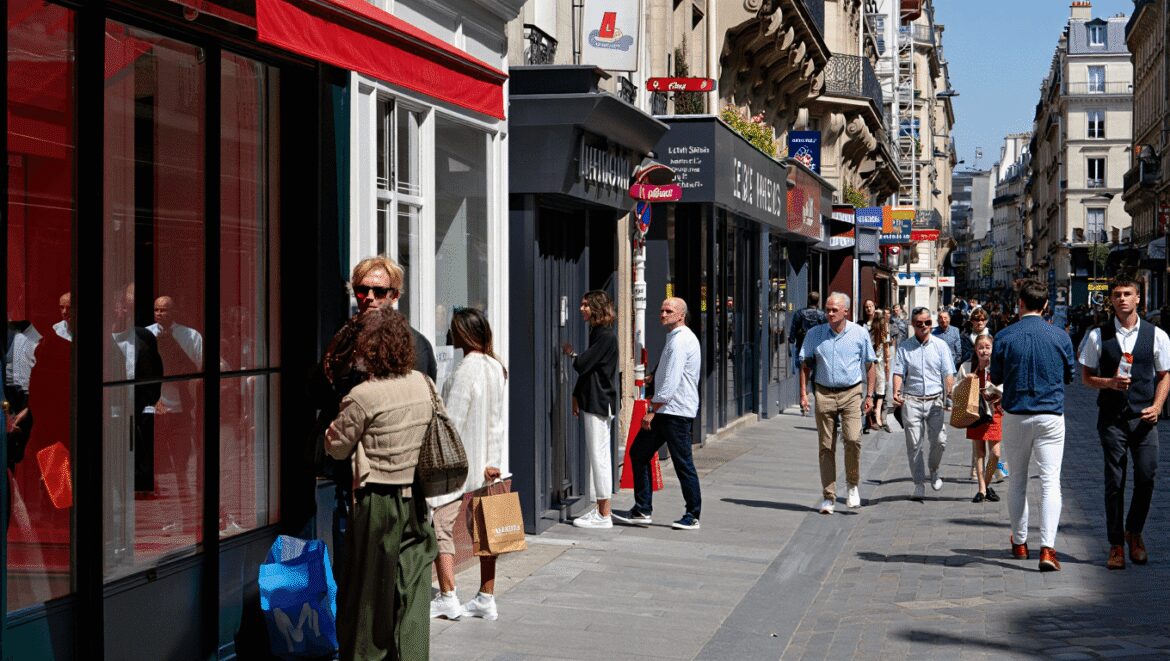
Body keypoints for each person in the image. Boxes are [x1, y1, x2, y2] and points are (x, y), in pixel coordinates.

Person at [326, 307, 438, 660]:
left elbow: (336, 447)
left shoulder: (364, 396)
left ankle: (367, 655)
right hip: (418, 501)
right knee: (414, 589)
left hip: (378, 501)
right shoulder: (424, 384)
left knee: (369, 594)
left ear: (369, 349)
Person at [312, 256, 437, 572]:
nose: (369, 298)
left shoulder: (413, 346)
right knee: (351, 569)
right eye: (362, 290)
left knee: (388, 572)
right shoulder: (344, 341)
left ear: (395, 295)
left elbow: (411, 411)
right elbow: (324, 396)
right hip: (346, 475)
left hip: (392, 479)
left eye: (379, 291)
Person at [1078, 277, 1170, 570]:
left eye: (1127, 294)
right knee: (1115, 482)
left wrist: (1157, 406)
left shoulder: (1157, 336)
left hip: (1144, 418)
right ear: (1111, 300)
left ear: (1138, 299)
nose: (1122, 299)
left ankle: (1135, 532)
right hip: (1112, 419)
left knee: (1146, 477)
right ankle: (1116, 543)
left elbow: (1164, 375)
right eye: (1117, 295)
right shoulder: (1097, 336)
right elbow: (1086, 378)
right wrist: (1110, 382)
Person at [427, 307, 509, 621]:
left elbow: (452, 421)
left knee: (439, 523)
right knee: (487, 529)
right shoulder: (496, 366)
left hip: (459, 464)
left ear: (460, 334)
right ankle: (486, 597)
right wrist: (494, 461)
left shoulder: (466, 369)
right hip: (489, 462)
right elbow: (495, 420)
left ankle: (448, 595)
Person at [989, 279, 1076, 572]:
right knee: (1051, 480)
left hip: (1016, 413)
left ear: (1020, 304)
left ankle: (1021, 543)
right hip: (1051, 414)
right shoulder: (1060, 336)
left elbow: (996, 376)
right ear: (1046, 306)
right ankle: (1048, 550)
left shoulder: (1004, 336)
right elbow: (1070, 375)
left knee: (1018, 480)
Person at [613, 297, 703, 530]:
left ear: (681, 315)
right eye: (662, 309)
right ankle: (642, 509)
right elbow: (670, 372)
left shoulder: (680, 341)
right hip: (669, 409)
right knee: (639, 453)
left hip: (674, 411)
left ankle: (692, 515)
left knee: (683, 463)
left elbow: (672, 380)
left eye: (668, 310)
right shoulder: (676, 338)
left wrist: (653, 409)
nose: (663, 314)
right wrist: (654, 376)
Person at [798, 292, 876, 514]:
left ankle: (852, 485)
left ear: (846, 311)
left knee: (852, 439)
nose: (829, 313)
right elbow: (804, 365)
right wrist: (804, 394)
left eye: (834, 310)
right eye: (827, 309)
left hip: (851, 392)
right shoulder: (815, 334)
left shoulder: (859, 334)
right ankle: (829, 496)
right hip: (823, 393)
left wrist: (870, 396)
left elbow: (871, 365)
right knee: (825, 445)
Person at [563, 290, 619, 529]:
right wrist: (577, 394)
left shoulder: (605, 336)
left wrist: (571, 353)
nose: (581, 308)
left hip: (599, 402)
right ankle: (600, 510)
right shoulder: (600, 334)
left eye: (586, 305)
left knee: (599, 457)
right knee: (598, 456)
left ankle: (604, 514)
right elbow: (591, 371)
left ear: (596, 308)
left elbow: (584, 364)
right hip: (595, 400)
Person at [892, 307, 955, 501]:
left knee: (939, 441)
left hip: (935, 400)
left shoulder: (940, 346)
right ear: (913, 325)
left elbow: (948, 373)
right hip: (912, 399)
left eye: (928, 323)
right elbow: (898, 372)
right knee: (914, 444)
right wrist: (896, 391)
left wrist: (949, 394)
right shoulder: (905, 347)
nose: (924, 327)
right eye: (919, 324)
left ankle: (934, 470)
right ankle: (919, 483)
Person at [957, 334, 1003, 503]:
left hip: (994, 411)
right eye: (981, 348)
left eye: (987, 347)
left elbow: (1007, 383)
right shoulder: (967, 366)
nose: (984, 351)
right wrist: (966, 381)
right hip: (974, 412)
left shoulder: (998, 366)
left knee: (996, 453)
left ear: (992, 349)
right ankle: (982, 489)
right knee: (979, 452)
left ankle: (987, 483)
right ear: (975, 350)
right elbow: (956, 389)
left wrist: (998, 392)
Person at [865, 311, 891, 434]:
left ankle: (871, 416)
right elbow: (887, 350)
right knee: (881, 389)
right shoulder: (884, 332)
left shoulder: (869, 332)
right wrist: (888, 364)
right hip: (879, 364)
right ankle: (877, 414)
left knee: (871, 389)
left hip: (869, 363)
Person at [789, 292, 827, 375]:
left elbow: (794, 328)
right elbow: (826, 330)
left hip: (802, 343)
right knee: (816, 366)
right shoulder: (822, 314)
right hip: (817, 344)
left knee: (802, 366)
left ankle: (803, 383)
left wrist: (792, 339)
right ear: (818, 301)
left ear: (808, 300)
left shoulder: (799, 313)